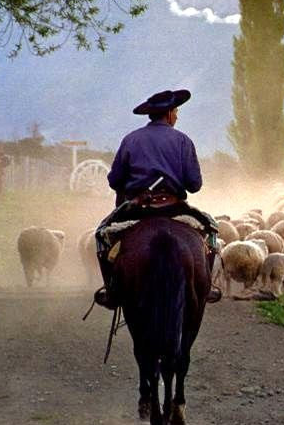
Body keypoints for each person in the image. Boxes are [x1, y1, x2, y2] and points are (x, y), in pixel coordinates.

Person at [93, 89, 221, 309]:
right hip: (173, 207)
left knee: (101, 235)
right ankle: (206, 288)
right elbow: (194, 185)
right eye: (177, 111)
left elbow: (114, 180)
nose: (177, 116)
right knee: (211, 231)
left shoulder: (130, 139)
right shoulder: (183, 141)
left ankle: (111, 290)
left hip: (137, 208)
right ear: (170, 113)